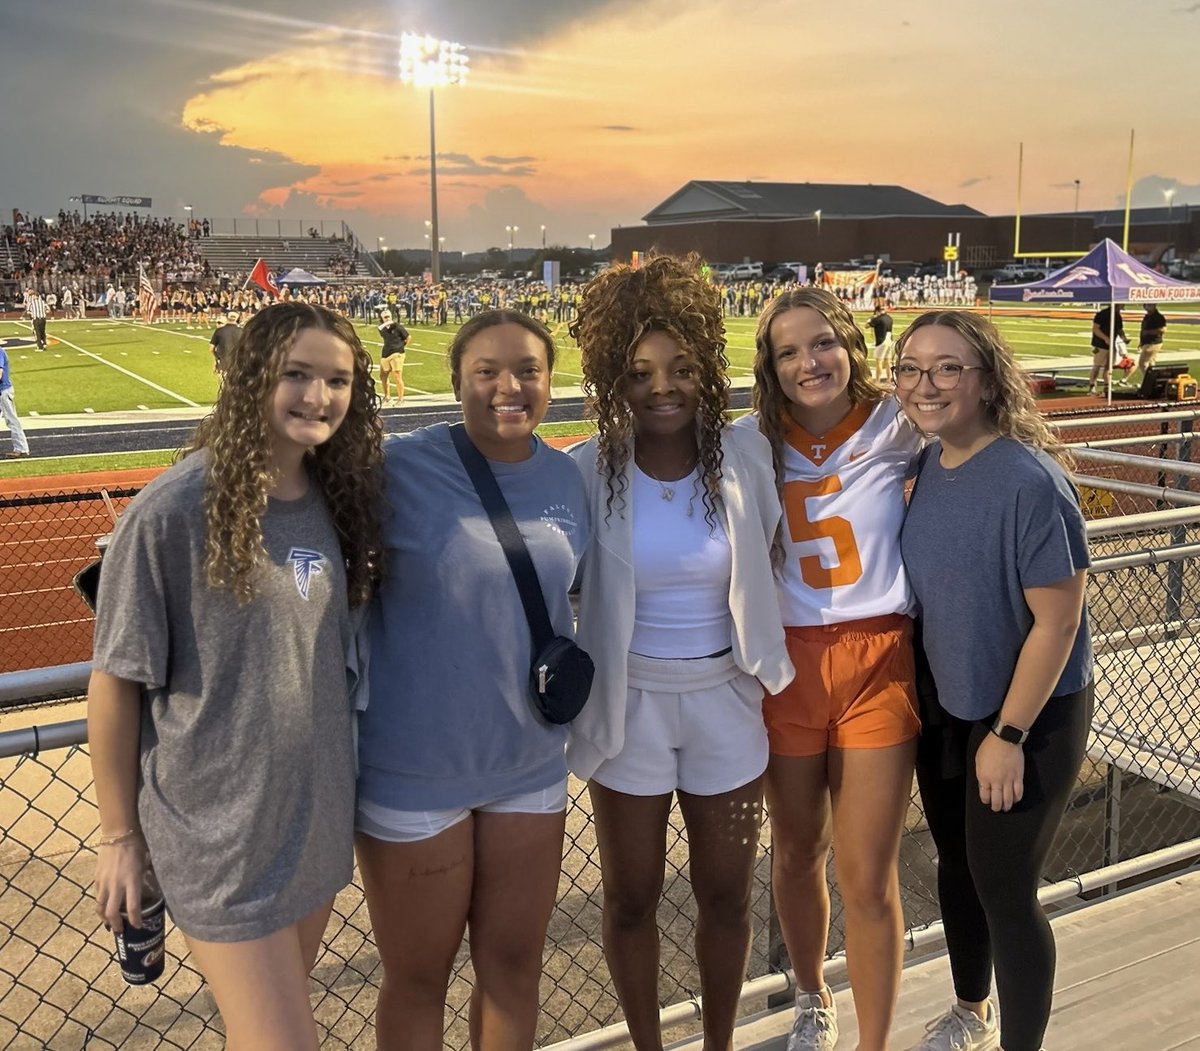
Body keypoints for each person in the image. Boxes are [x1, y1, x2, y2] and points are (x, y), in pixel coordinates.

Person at [88, 302, 384, 1051]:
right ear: (254, 377)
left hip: (310, 821)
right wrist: (119, 836)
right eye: (297, 374)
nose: (319, 396)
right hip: (220, 835)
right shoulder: (174, 509)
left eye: (337, 380)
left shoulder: (330, 497)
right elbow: (116, 681)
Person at [566, 255, 793, 1051]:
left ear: (706, 364)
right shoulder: (588, 470)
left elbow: (777, 557)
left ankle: (721, 1043)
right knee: (631, 894)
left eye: (680, 367)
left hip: (727, 703)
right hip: (628, 708)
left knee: (727, 894)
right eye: (637, 372)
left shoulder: (749, 456)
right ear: (609, 378)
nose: (661, 387)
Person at [355, 309, 590, 1051]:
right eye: (486, 371)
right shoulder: (397, 466)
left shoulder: (567, 475)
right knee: (420, 978)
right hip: (415, 769)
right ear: (456, 379)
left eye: (526, 369)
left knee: (515, 966)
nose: (507, 387)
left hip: (527, 762)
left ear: (552, 380)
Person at [895, 311, 1093, 1051]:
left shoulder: (1029, 481)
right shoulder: (923, 466)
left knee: (1006, 889)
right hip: (953, 703)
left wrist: (1007, 735)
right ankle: (971, 1011)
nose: (926, 383)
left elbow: (1059, 622)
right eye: (912, 368)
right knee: (958, 865)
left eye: (948, 367)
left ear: (985, 379)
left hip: (1028, 714)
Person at [741, 287, 922, 1051]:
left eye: (821, 343)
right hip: (787, 664)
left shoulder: (899, 425)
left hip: (878, 657)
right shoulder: (750, 441)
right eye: (788, 351)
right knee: (796, 848)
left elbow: (988, 439)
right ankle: (812, 996)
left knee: (868, 873)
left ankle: (875, 1042)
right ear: (771, 366)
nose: (808, 362)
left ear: (849, 342)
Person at [1128, 302, 1168, 389]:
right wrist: (1141, 342)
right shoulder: (1147, 316)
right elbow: (1143, 330)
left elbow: (1163, 330)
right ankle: (1153, 382)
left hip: (1153, 343)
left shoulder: (1158, 317)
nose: (1148, 307)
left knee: (1142, 363)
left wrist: (1149, 332)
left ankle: (1149, 382)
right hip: (1148, 342)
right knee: (1151, 364)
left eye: (1150, 305)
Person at [1, 345, 31, 458]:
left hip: (3, 391)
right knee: (11, 419)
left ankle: (22, 448)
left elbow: (0, 373)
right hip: (3, 391)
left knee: (11, 420)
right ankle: (21, 448)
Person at [1087, 304, 1124, 395]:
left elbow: (1119, 329)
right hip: (1099, 344)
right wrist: (1105, 338)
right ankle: (1092, 386)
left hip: (1111, 344)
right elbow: (1095, 329)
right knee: (1097, 365)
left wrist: (1123, 337)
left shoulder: (1117, 316)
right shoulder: (1102, 314)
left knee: (1108, 367)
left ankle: (1107, 386)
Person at [377, 308, 410, 404]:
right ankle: (387, 396)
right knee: (383, 375)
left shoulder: (398, 327)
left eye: (388, 317)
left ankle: (401, 399)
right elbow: (381, 329)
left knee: (397, 375)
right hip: (386, 353)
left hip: (397, 353)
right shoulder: (382, 329)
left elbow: (408, 337)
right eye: (385, 317)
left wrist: (401, 347)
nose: (387, 319)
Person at [868, 303, 895, 384]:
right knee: (888, 362)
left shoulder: (878, 318)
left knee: (879, 362)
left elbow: (867, 325)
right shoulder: (889, 318)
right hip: (889, 340)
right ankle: (889, 380)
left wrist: (871, 319)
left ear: (877, 311)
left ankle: (877, 380)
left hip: (881, 341)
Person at [209, 311, 242, 375]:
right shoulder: (242, 331)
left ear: (227, 318)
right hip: (238, 364)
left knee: (224, 384)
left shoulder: (219, 330)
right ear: (238, 319)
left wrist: (217, 359)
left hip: (224, 364)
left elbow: (211, 349)